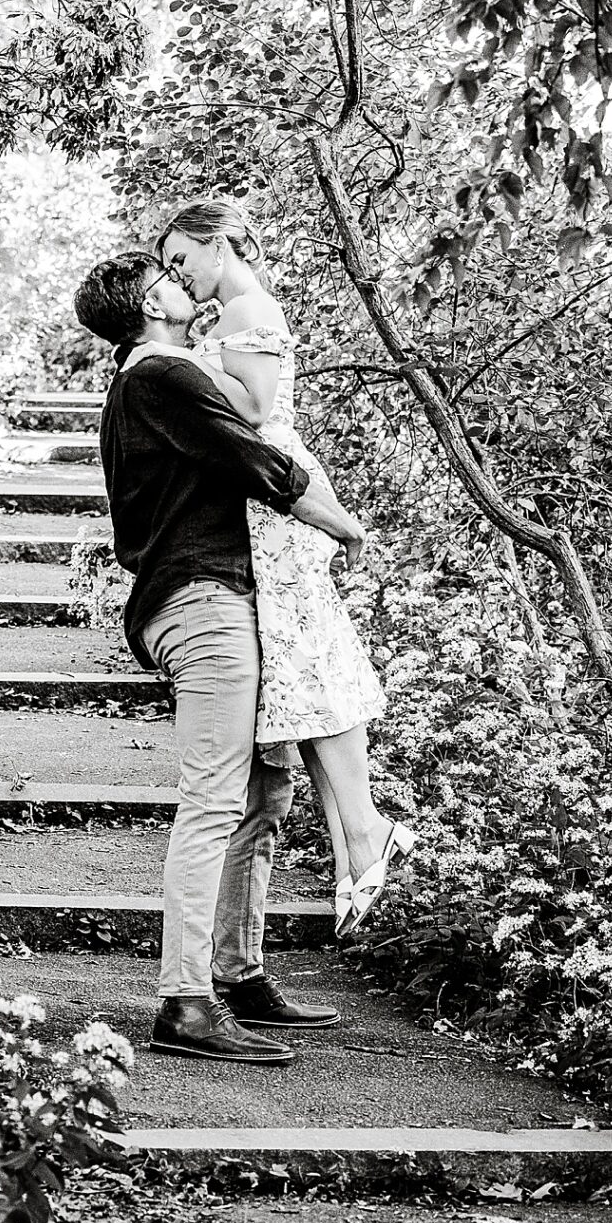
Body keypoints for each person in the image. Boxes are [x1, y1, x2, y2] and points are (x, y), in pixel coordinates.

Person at [72, 245, 359, 1063]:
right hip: (201, 602)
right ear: (149, 303)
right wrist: (345, 526)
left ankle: (237, 973)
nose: (183, 284)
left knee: (265, 792)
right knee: (213, 800)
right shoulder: (160, 373)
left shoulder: (155, 376)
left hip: (226, 598)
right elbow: (263, 463)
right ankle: (183, 1004)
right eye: (167, 277)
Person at [155, 196, 413, 940]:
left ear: (218, 243)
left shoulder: (246, 310)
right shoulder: (229, 317)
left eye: (182, 259)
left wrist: (179, 369)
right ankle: (352, 848)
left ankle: (364, 830)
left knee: (311, 665)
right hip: (263, 504)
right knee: (301, 678)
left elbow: (256, 409)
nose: (179, 274)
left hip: (277, 503)